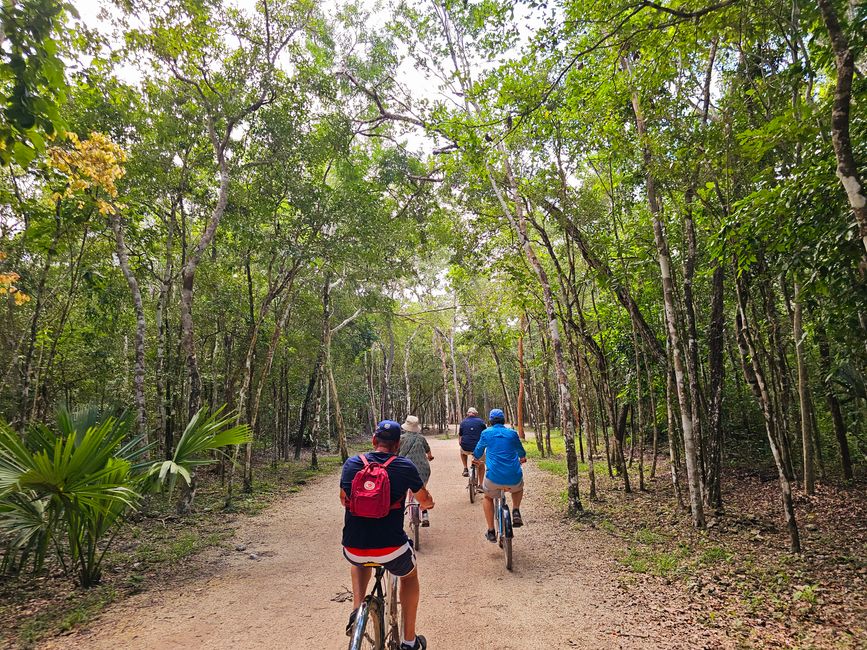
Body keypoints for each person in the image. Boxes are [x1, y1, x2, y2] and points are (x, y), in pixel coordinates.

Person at [340, 420, 434, 650]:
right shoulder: (404, 467)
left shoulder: (352, 463)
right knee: (409, 576)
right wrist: (429, 505)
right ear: (397, 445)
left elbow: (344, 499)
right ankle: (409, 642)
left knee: (360, 561)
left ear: (374, 441)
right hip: (391, 549)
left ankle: (357, 611)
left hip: (353, 546)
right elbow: (424, 501)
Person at [472, 408, 526, 542]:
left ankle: (491, 530)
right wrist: (522, 458)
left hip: (494, 478)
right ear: (504, 420)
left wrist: (476, 458)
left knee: (487, 496)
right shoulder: (512, 434)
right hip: (513, 477)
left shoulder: (486, 433)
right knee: (518, 488)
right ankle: (515, 510)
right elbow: (521, 452)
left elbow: (478, 452)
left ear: (490, 421)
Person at [399, 415, 434, 526]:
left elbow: (395, 453)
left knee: (401, 493)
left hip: (404, 469)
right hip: (423, 469)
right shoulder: (421, 438)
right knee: (421, 489)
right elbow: (428, 451)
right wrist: (430, 457)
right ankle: (424, 514)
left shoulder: (401, 439)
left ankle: (399, 514)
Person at [458, 407, 486, 488]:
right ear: (476, 414)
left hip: (466, 447)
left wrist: (461, 443)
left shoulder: (463, 422)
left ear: (468, 414)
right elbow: (485, 434)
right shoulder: (481, 422)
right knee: (481, 465)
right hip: (478, 448)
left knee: (462, 452)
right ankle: (480, 485)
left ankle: (465, 468)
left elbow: (460, 436)